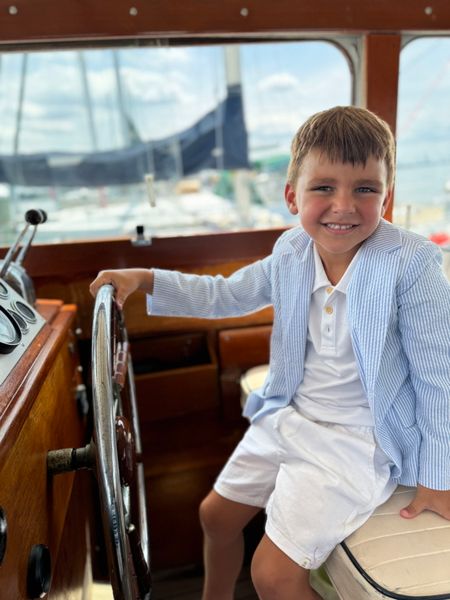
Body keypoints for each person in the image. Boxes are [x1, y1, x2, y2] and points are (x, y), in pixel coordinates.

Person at [90, 106, 450, 600]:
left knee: (273, 575)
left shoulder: (412, 263)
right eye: (323, 187)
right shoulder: (290, 252)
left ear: (386, 198)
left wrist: (437, 477)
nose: (343, 205)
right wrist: (146, 279)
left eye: (365, 189)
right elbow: (225, 295)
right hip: (292, 417)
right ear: (291, 196)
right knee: (214, 516)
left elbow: (438, 377)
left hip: (358, 442)